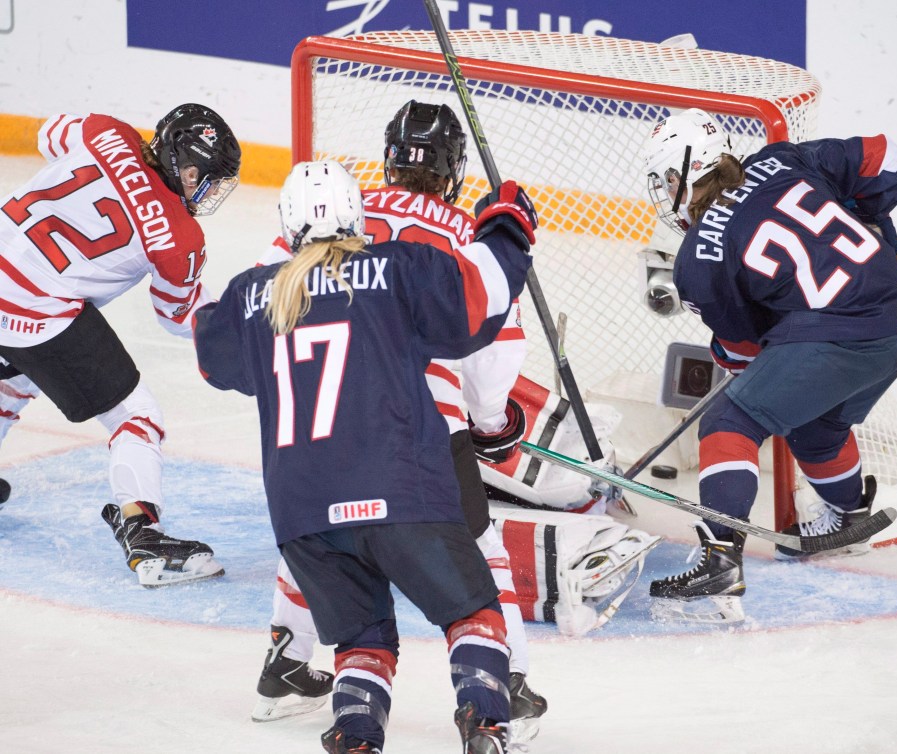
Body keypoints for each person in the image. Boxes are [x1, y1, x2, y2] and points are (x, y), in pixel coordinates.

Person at [192, 158, 538, 754]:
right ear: (356, 216)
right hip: (400, 489)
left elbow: (210, 354)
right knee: (473, 612)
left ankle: (356, 736)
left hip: (301, 515)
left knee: (363, 640)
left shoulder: (255, 294)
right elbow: (484, 299)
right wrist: (506, 225)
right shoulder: (397, 270)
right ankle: (485, 721)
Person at [641, 108, 897, 624]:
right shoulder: (782, 159)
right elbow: (887, 157)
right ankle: (847, 516)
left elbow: (746, 355)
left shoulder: (698, 257)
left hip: (843, 330)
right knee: (816, 420)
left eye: (666, 181)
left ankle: (720, 558)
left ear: (685, 173)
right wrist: (872, 221)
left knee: (731, 421)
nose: (666, 192)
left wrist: (744, 359)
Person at [0, 103, 241, 587]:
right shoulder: (178, 236)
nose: (206, 190)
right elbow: (178, 315)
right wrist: (239, 327)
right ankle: (144, 534)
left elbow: (50, 132)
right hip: (33, 308)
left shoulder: (103, 130)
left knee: (18, 374)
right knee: (136, 416)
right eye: (205, 178)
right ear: (186, 167)